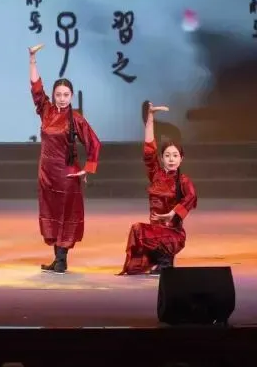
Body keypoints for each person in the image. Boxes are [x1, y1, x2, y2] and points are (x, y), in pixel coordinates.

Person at [27, 44, 102, 273]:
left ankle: (61, 259)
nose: (62, 98)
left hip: (66, 174)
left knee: (65, 214)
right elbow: (36, 88)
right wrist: (32, 59)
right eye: (58, 94)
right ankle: (57, 259)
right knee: (50, 212)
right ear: (54, 95)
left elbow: (94, 142)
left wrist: (88, 168)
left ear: (71, 96)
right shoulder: (46, 111)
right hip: (46, 173)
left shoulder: (75, 118)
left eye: (66, 95)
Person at [120, 103, 198, 275]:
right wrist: (150, 119)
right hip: (154, 231)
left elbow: (191, 197)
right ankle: (158, 258)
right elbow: (149, 149)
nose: (171, 159)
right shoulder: (156, 174)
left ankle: (166, 260)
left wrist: (173, 213)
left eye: (175, 155)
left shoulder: (183, 180)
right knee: (137, 230)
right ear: (162, 158)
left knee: (161, 247)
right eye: (167, 155)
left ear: (181, 158)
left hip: (172, 233)